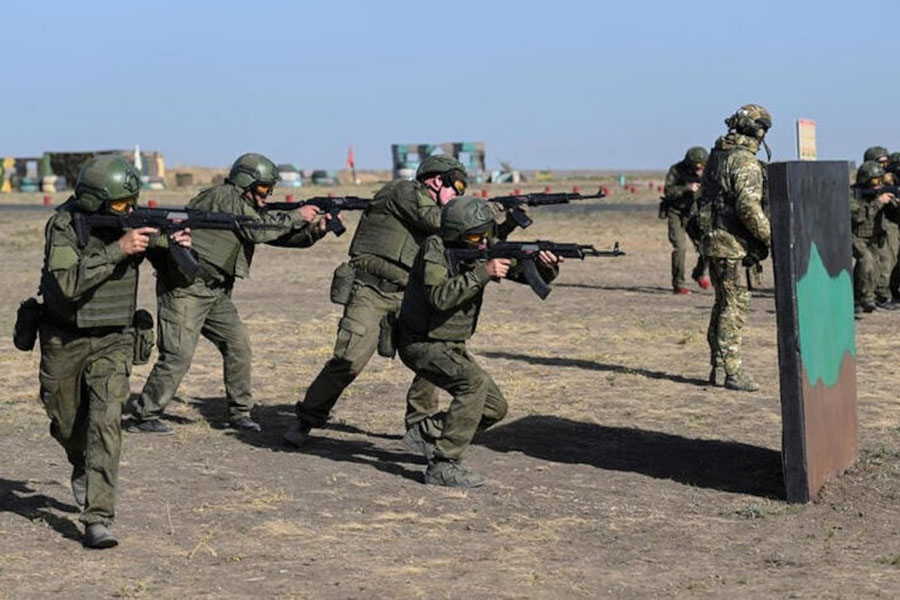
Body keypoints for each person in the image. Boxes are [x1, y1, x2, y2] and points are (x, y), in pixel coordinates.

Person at [37, 155, 191, 547]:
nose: (130, 211)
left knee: (106, 424)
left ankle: (98, 518)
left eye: (133, 202)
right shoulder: (65, 226)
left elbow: (182, 277)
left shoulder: (135, 225)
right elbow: (68, 285)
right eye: (122, 205)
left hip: (115, 339)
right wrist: (119, 249)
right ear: (94, 201)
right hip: (64, 339)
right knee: (67, 423)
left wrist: (176, 248)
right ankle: (80, 462)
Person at [130, 153, 330, 434]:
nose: (266, 195)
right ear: (245, 181)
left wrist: (313, 232)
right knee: (177, 356)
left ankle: (239, 413)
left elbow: (274, 235)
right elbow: (258, 230)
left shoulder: (245, 207)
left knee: (238, 346)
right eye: (262, 188)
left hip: (215, 292)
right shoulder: (225, 196)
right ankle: (145, 414)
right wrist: (298, 215)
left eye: (269, 190)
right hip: (187, 290)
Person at [283, 156, 469, 448]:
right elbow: (435, 220)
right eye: (455, 188)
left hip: (409, 295)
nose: (458, 197)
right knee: (348, 361)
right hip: (370, 290)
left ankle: (419, 426)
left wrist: (500, 216)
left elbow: (466, 234)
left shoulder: (439, 208)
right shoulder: (402, 191)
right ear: (436, 180)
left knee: (433, 357)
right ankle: (307, 418)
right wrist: (461, 208)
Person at [397, 196, 560, 487]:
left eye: (485, 235)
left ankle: (427, 431)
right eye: (475, 237)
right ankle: (443, 464)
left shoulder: (481, 249)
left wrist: (545, 265)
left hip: (450, 345)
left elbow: (525, 275)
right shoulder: (434, 250)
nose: (483, 243)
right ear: (456, 234)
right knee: (472, 384)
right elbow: (439, 297)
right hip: (421, 344)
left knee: (494, 408)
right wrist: (483, 273)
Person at [701, 104, 772, 392]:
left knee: (722, 303)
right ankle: (733, 371)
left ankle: (718, 366)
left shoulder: (718, 155)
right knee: (734, 306)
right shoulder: (744, 161)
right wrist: (771, 237)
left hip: (714, 240)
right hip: (732, 245)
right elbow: (748, 207)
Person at [661, 147, 711, 294]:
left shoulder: (708, 172)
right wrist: (686, 188)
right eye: (696, 166)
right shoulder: (676, 170)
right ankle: (679, 284)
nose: (699, 169)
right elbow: (668, 191)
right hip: (676, 212)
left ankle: (699, 273)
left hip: (694, 214)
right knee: (680, 247)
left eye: (702, 166)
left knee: (707, 245)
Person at [851, 161, 896, 313]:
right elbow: (858, 216)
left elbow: (894, 216)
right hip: (857, 236)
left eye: (881, 180)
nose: (878, 184)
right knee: (867, 262)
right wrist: (878, 202)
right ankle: (862, 297)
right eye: (875, 181)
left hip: (876, 236)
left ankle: (879, 296)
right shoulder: (852, 195)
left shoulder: (880, 193)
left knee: (886, 263)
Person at [862, 147, 900, 310]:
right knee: (882, 261)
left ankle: (888, 291)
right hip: (876, 226)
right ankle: (879, 294)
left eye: (886, 162)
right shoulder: (867, 183)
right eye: (881, 162)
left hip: (888, 222)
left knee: (891, 258)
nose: (884, 166)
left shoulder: (889, 181)